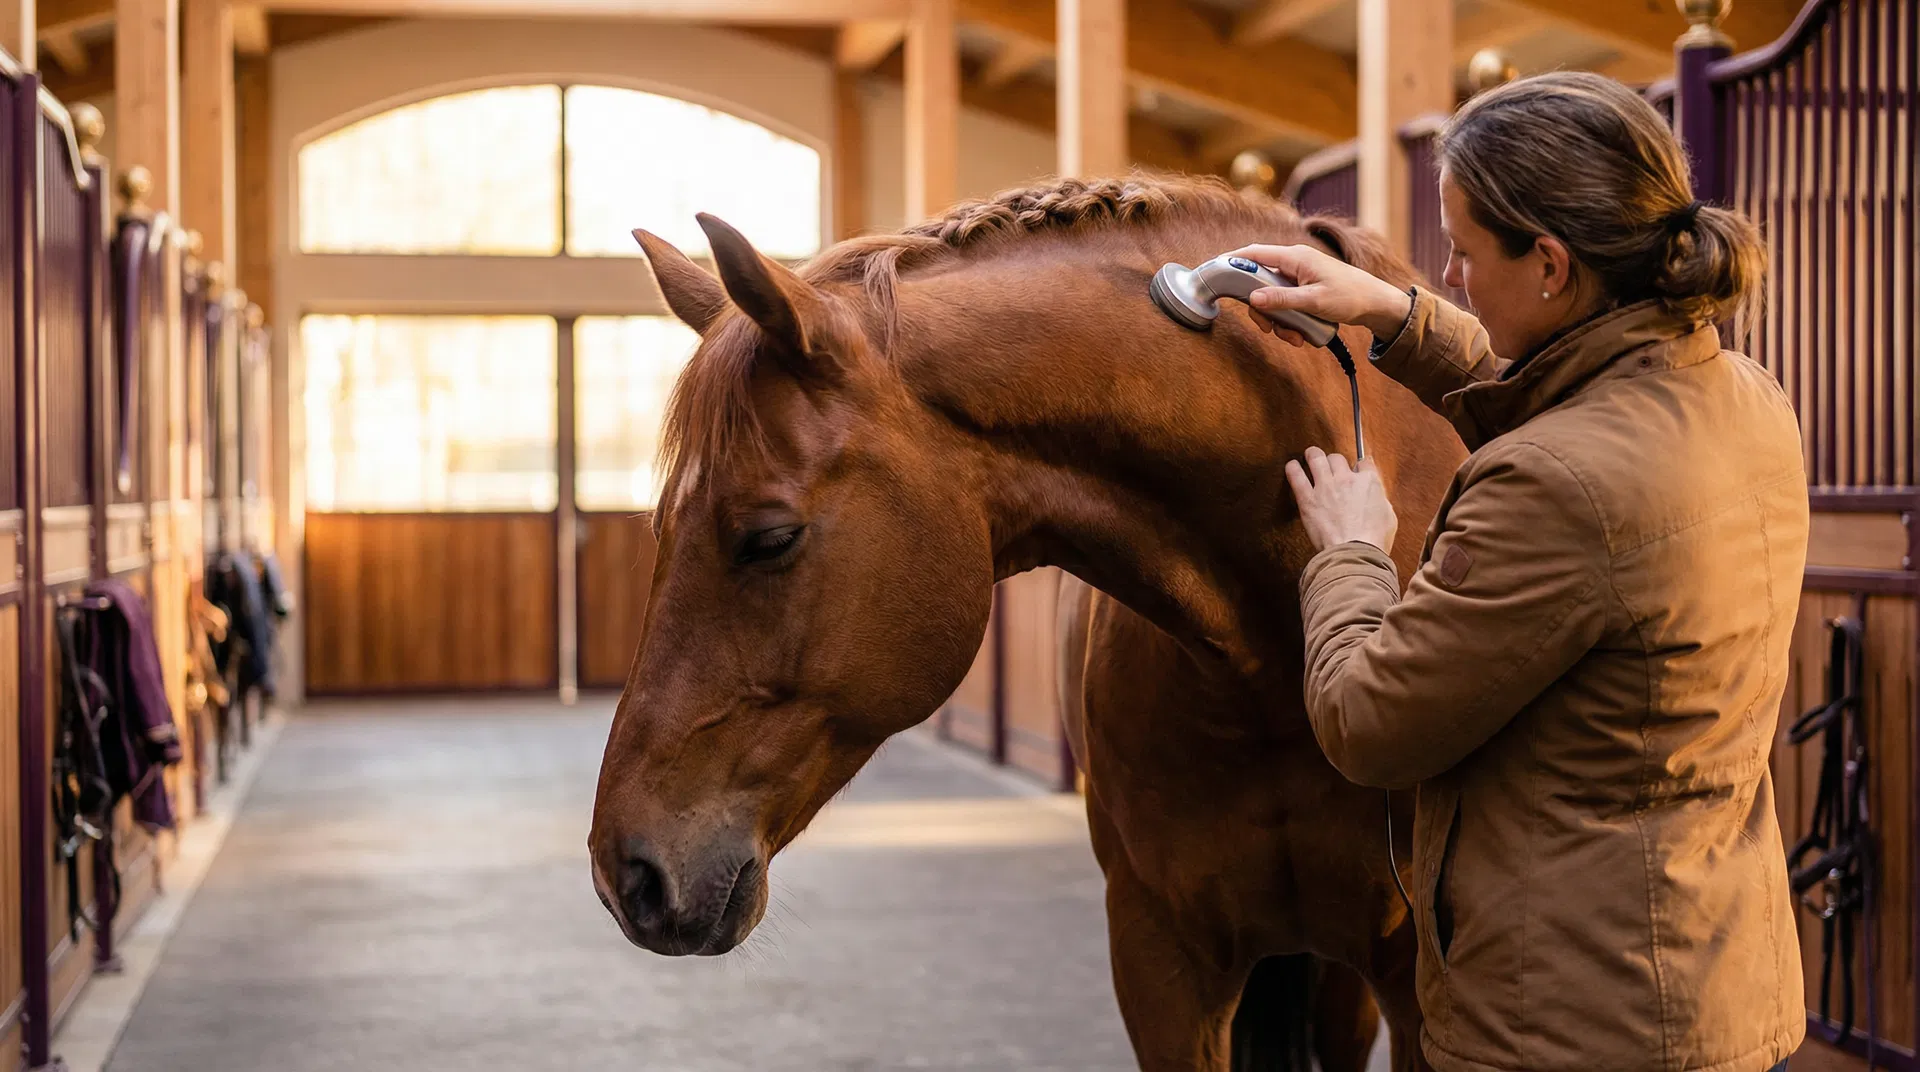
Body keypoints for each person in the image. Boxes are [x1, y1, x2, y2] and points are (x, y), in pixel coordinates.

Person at [1233, 72, 1808, 1072]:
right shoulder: (1742, 395)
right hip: (1703, 978)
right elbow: (1571, 387)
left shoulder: (1553, 484)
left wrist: (1353, 553)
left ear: (1550, 263)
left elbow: (1369, 721)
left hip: (1569, 1024)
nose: (1450, 273)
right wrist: (1390, 313)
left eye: (1459, 248)